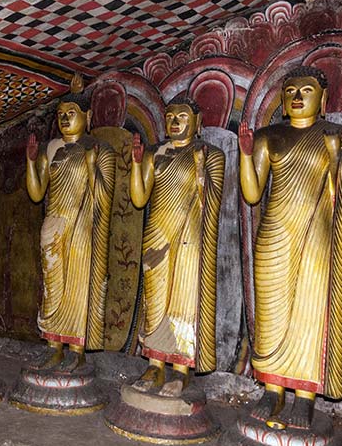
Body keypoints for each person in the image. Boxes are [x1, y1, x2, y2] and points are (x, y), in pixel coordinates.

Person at [239, 66, 342, 428]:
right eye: (290, 91)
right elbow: (252, 194)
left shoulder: (341, 137)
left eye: (306, 91)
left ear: (323, 99)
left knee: (311, 313)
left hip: (316, 237)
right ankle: (272, 389)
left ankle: (304, 397)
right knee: (271, 314)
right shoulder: (269, 136)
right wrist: (246, 155)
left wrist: (336, 156)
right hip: (274, 234)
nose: (296, 97)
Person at [129, 96, 223, 396]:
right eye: (170, 116)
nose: (175, 122)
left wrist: (200, 172)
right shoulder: (155, 153)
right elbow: (139, 199)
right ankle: (154, 364)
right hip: (156, 235)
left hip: (189, 238)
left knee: (184, 302)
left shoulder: (210, 154)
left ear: (198, 122)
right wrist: (136, 165)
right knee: (154, 301)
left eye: (182, 116)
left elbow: (213, 203)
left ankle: (181, 370)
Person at [25, 93, 115, 370]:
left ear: (87, 116)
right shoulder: (51, 148)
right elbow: (37, 194)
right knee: (52, 288)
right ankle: (53, 346)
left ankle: (76, 349)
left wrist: (91, 165)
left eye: (71, 112)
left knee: (78, 285)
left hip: (82, 226)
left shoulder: (100, 149)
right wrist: (31, 162)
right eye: (61, 114)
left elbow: (105, 197)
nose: (65, 119)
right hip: (53, 224)